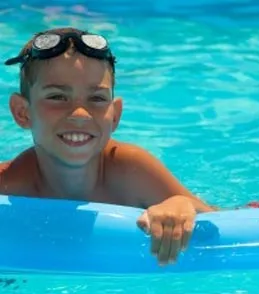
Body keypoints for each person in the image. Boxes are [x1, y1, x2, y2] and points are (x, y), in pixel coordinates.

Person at [0, 27, 215, 265]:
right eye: (57, 97)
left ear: (115, 115)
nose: (80, 114)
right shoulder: (8, 185)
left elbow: (217, 220)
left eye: (97, 99)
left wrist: (180, 204)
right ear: (22, 112)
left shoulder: (130, 170)